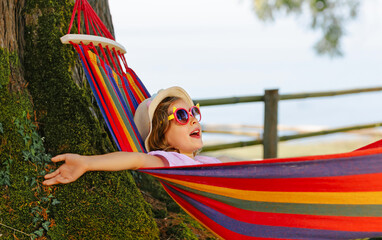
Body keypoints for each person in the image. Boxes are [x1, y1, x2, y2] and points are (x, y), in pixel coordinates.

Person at [43, 86, 221, 186]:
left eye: (193, 112)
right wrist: (87, 163)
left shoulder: (205, 161)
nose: (192, 120)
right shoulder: (171, 161)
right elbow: (137, 160)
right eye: (182, 115)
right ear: (161, 137)